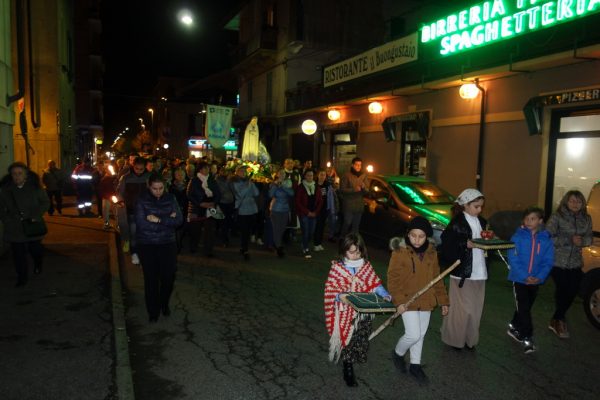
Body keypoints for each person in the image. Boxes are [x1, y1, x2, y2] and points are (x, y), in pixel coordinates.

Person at [324, 233, 391, 387]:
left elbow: (375, 283)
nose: (355, 255)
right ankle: (348, 367)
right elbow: (330, 290)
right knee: (347, 339)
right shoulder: (337, 269)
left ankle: (352, 357)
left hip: (363, 313)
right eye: (351, 252)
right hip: (345, 313)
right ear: (344, 251)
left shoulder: (365, 267)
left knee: (359, 337)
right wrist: (339, 296)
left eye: (358, 252)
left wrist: (384, 294)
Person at [387, 217, 449, 384]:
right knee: (413, 334)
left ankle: (415, 365)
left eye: (421, 236)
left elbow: (437, 278)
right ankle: (398, 353)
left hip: (426, 299)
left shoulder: (431, 253)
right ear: (408, 234)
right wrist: (399, 302)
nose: (416, 240)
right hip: (407, 300)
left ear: (427, 237)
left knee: (420, 335)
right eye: (413, 235)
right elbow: (393, 279)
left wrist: (443, 301)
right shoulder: (400, 252)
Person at [440, 188, 487, 350]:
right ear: (465, 205)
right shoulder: (457, 222)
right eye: (476, 206)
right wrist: (464, 243)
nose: (479, 210)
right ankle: (455, 339)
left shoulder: (482, 221)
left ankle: (469, 339)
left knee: (476, 309)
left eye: (481, 207)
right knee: (461, 309)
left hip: (480, 271)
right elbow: (447, 243)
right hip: (463, 272)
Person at [135, 173, 183, 322]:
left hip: (167, 244)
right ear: (149, 187)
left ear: (165, 186)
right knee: (151, 280)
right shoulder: (142, 200)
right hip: (147, 244)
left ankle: (164, 303)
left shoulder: (171, 198)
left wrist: (158, 220)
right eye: (154, 188)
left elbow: (179, 220)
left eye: (161, 188)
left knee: (168, 278)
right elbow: (142, 224)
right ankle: (153, 311)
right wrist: (168, 220)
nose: (158, 191)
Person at [545, 190, 593, 339]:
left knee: (573, 290)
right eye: (572, 201)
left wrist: (582, 242)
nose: (575, 204)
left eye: (578, 201)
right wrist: (568, 240)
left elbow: (589, 238)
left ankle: (556, 318)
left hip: (576, 262)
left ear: (582, 203)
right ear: (566, 201)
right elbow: (546, 237)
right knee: (563, 289)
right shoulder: (557, 216)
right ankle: (559, 320)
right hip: (557, 261)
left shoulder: (586, 218)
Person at [506, 206, 554, 353]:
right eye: (526, 218)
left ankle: (514, 325)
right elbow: (513, 258)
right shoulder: (517, 237)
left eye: (532, 218)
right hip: (519, 280)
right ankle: (528, 337)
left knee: (525, 307)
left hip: (535, 281)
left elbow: (548, 261)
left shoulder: (546, 239)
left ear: (540, 221)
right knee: (524, 308)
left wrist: (539, 277)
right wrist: (525, 276)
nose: (528, 221)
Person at [0, 162, 50, 286]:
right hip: (14, 227)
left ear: (26, 175)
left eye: (20, 173)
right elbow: (1, 208)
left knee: (35, 250)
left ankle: (38, 262)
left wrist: (35, 215)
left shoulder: (35, 188)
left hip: (32, 225)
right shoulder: (5, 190)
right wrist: (6, 219)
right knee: (18, 254)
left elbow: (45, 202)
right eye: (14, 174)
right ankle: (22, 277)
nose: (17, 176)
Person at [116, 156, 150, 264]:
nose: (139, 171)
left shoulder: (149, 177)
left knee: (145, 233)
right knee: (133, 232)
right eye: (137, 168)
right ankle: (134, 253)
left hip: (146, 210)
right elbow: (119, 192)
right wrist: (121, 201)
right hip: (132, 210)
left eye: (141, 169)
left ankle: (143, 253)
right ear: (133, 166)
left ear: (145, 167)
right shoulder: (126, 178)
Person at [187, 161, 221, 256]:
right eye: (205, 168)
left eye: (208, 168)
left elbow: (218, 193)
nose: (207, 170)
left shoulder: (212, 180)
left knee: (210, 230)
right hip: (196, 208)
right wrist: (200, 204)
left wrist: (213, 202)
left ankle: (208, 250)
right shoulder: (194, 180)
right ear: (200, 170)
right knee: (195, 229)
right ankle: (193, 246)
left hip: (210, 206)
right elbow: (189, 195)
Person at [232, 166, 259, 261]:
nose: (244, 173)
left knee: (249, 230)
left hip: (252, 208)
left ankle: (243, 247)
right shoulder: (235, 182)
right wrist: (247, 185)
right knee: (244, 230)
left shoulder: (249, 182)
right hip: (242, 209)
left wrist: (251, 184)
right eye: (241, 171)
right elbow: (240, 194)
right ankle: (245, 249)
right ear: (237, 172)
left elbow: (256, 193)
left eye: (244, 171)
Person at [295, 169, 323, 259]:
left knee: (311, 232)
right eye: (308, 175)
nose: (310, 177)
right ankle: (306, 248)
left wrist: (315, 212)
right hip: (304, 214)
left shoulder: (316, 186)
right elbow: (298, 201)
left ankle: (304, 243)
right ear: (305, 176)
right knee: (305, 231)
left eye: (311, 175)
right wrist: (307, 212)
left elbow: (320, 201)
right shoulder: (300, 187)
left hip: (314, 213)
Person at [339, 157, 369, 234]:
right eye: (357, 165)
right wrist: (353, 190)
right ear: (352, 165)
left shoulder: (363, 175)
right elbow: (342, 190)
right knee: (347, 222)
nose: (359, 166)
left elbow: (367, 191)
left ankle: (354, 239)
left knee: (356, 226)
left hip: (359, 205)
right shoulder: (346, 175)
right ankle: (343, 237)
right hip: (349, 204)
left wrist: (363, 187)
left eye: (360, 165)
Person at [269, 169, 294, 258]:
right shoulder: (273, 184)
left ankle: (277, 244)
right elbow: (270, 195)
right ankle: (279, 247)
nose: (282, 175)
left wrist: (282, 186)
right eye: (280, 173)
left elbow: (292, 193)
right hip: (275, 209)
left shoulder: (288, 183)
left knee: (282, 228)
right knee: (276, 229)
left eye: (283, 173)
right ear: (277, 174)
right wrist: (276, 185)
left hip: (285, 210)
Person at [313, 169, 330, 252]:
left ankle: (319, 243)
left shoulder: (327, 185)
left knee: (322, 226)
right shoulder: (314, 184)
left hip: (324, 208)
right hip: (316, 208)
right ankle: (316, 244)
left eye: (324, 175)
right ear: (318, 175)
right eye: (321, 175)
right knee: (317, 226)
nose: (323, 177)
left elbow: (329, 197)